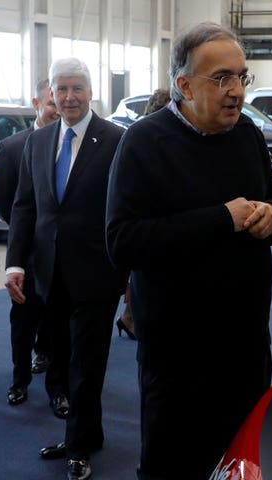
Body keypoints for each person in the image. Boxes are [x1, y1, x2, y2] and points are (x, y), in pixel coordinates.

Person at [105, 22, 272, 480]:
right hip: (178, 357)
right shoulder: (144, 142)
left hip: (246, 346)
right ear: (184, 86)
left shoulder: (248, 134)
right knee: (172, 476)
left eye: (241, 78)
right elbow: (123, 242)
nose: (236, 92)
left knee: (241, 468)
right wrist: (220, 220)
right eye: (222, 79)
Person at [5, 57, 127, 480]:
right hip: (46, 273)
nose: (70, 97)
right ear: (50, 95)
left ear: (91, 92)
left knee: (86, 366)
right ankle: (83, 434)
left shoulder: (116, 141)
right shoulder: (37, 143)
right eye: (62, 90)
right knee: (59, 357)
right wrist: (15, 263)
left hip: (97, 274)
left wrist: (129, 275)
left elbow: (126, 208)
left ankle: (78, 450)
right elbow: (25, 207)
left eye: (77, 88)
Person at [0, 78, 59, 406]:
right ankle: (20, 379)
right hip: (28, 254)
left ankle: (49, 366)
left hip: (63, 257)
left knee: (56, 319)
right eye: (52, 101)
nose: (59, 108)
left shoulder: (74, 145)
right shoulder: (14, 148)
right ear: (37, 104)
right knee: (22, 321)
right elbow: (5, 200)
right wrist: (24, 239)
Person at [114, 88, 172, 342]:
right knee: (141, 276)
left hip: (150, 222)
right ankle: (128, 318)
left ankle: (128, 318)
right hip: (144, 222)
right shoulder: (142, 139)